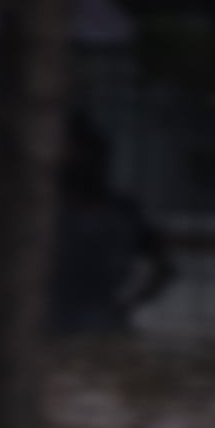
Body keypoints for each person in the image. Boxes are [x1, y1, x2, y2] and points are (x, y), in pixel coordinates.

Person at [51, 113, 174, 334]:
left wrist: (127, 305)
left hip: (101, 324)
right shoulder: (45, 210)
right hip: (58, 325)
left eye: (70, 151)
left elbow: (164, 266)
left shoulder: (121, 212)